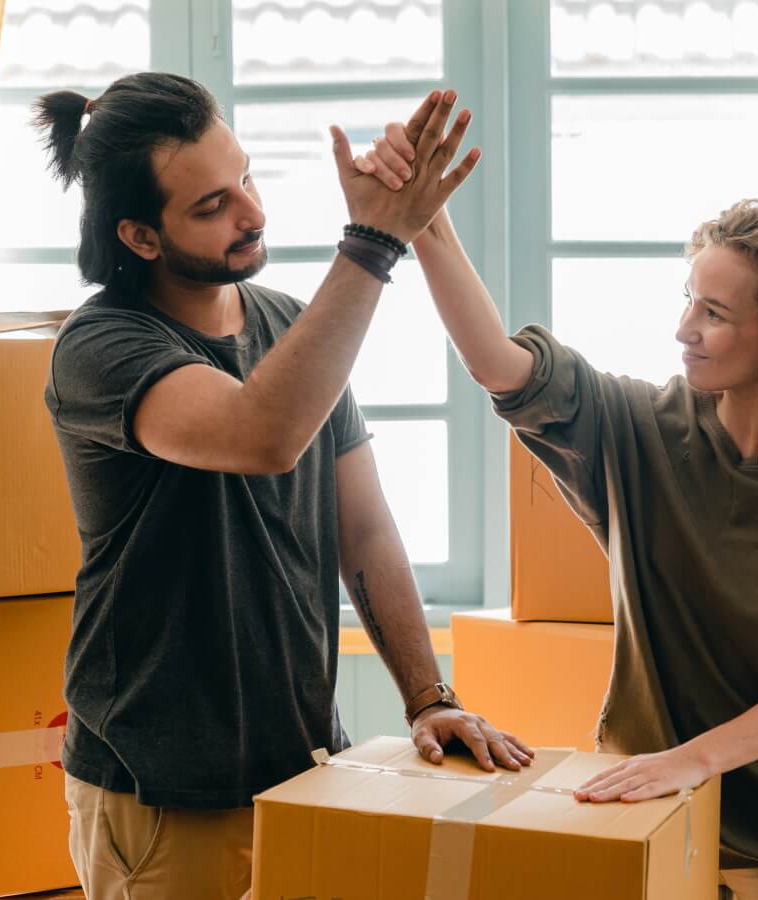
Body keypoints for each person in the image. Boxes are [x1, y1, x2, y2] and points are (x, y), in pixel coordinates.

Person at [355, 109, 758, 900]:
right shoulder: (637, 429)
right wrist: (424, 223)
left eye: (714, 313)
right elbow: (502, 366)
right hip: (642, 823)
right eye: (688, 300)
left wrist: (693, 759)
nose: (683, 330)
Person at [33, 75, 531, 900]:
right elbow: (259, 436)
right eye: (211, 206)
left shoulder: (293, 328)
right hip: (159, 790)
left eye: (248, 178)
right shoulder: (102, 347)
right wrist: (372, 241)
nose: (252, 213)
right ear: (141, 236)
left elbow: (363, 528)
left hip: (304, 766)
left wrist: (428, 697)